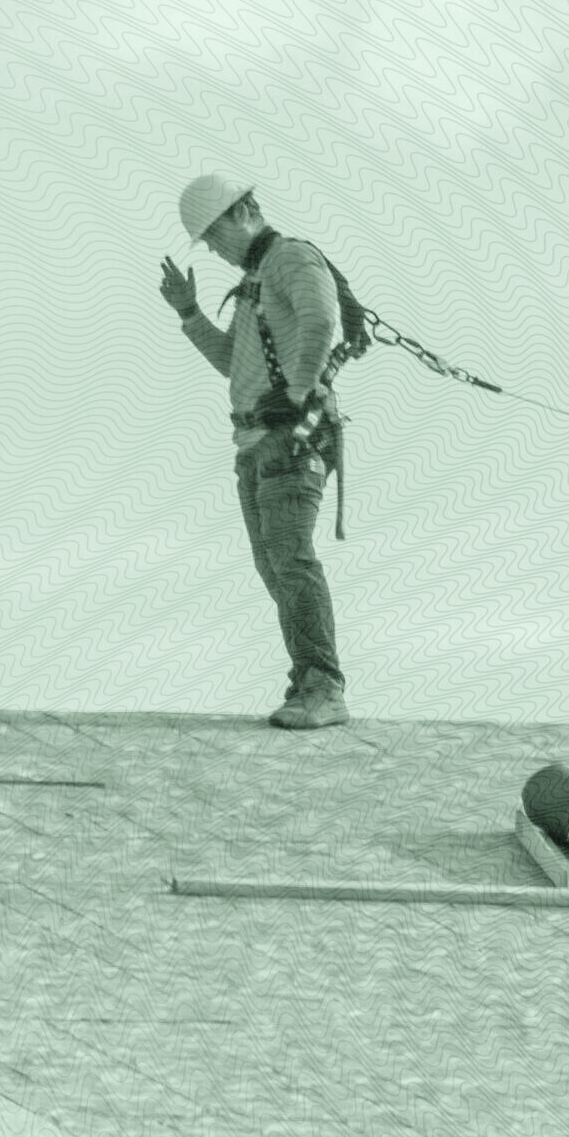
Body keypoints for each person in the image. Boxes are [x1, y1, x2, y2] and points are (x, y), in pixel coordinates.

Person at [160, 174, 350, 730]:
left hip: (290, 439)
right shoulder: (256, 280)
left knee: (290, 559)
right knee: (277, 566)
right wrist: (190, 313)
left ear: (243, 212)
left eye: (214, 235)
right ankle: (310, 678)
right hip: (256, 444)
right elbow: (234, 364)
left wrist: (296, 395)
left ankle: (322, 685)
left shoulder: (290, 260)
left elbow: (320, 319)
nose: (214, 249)